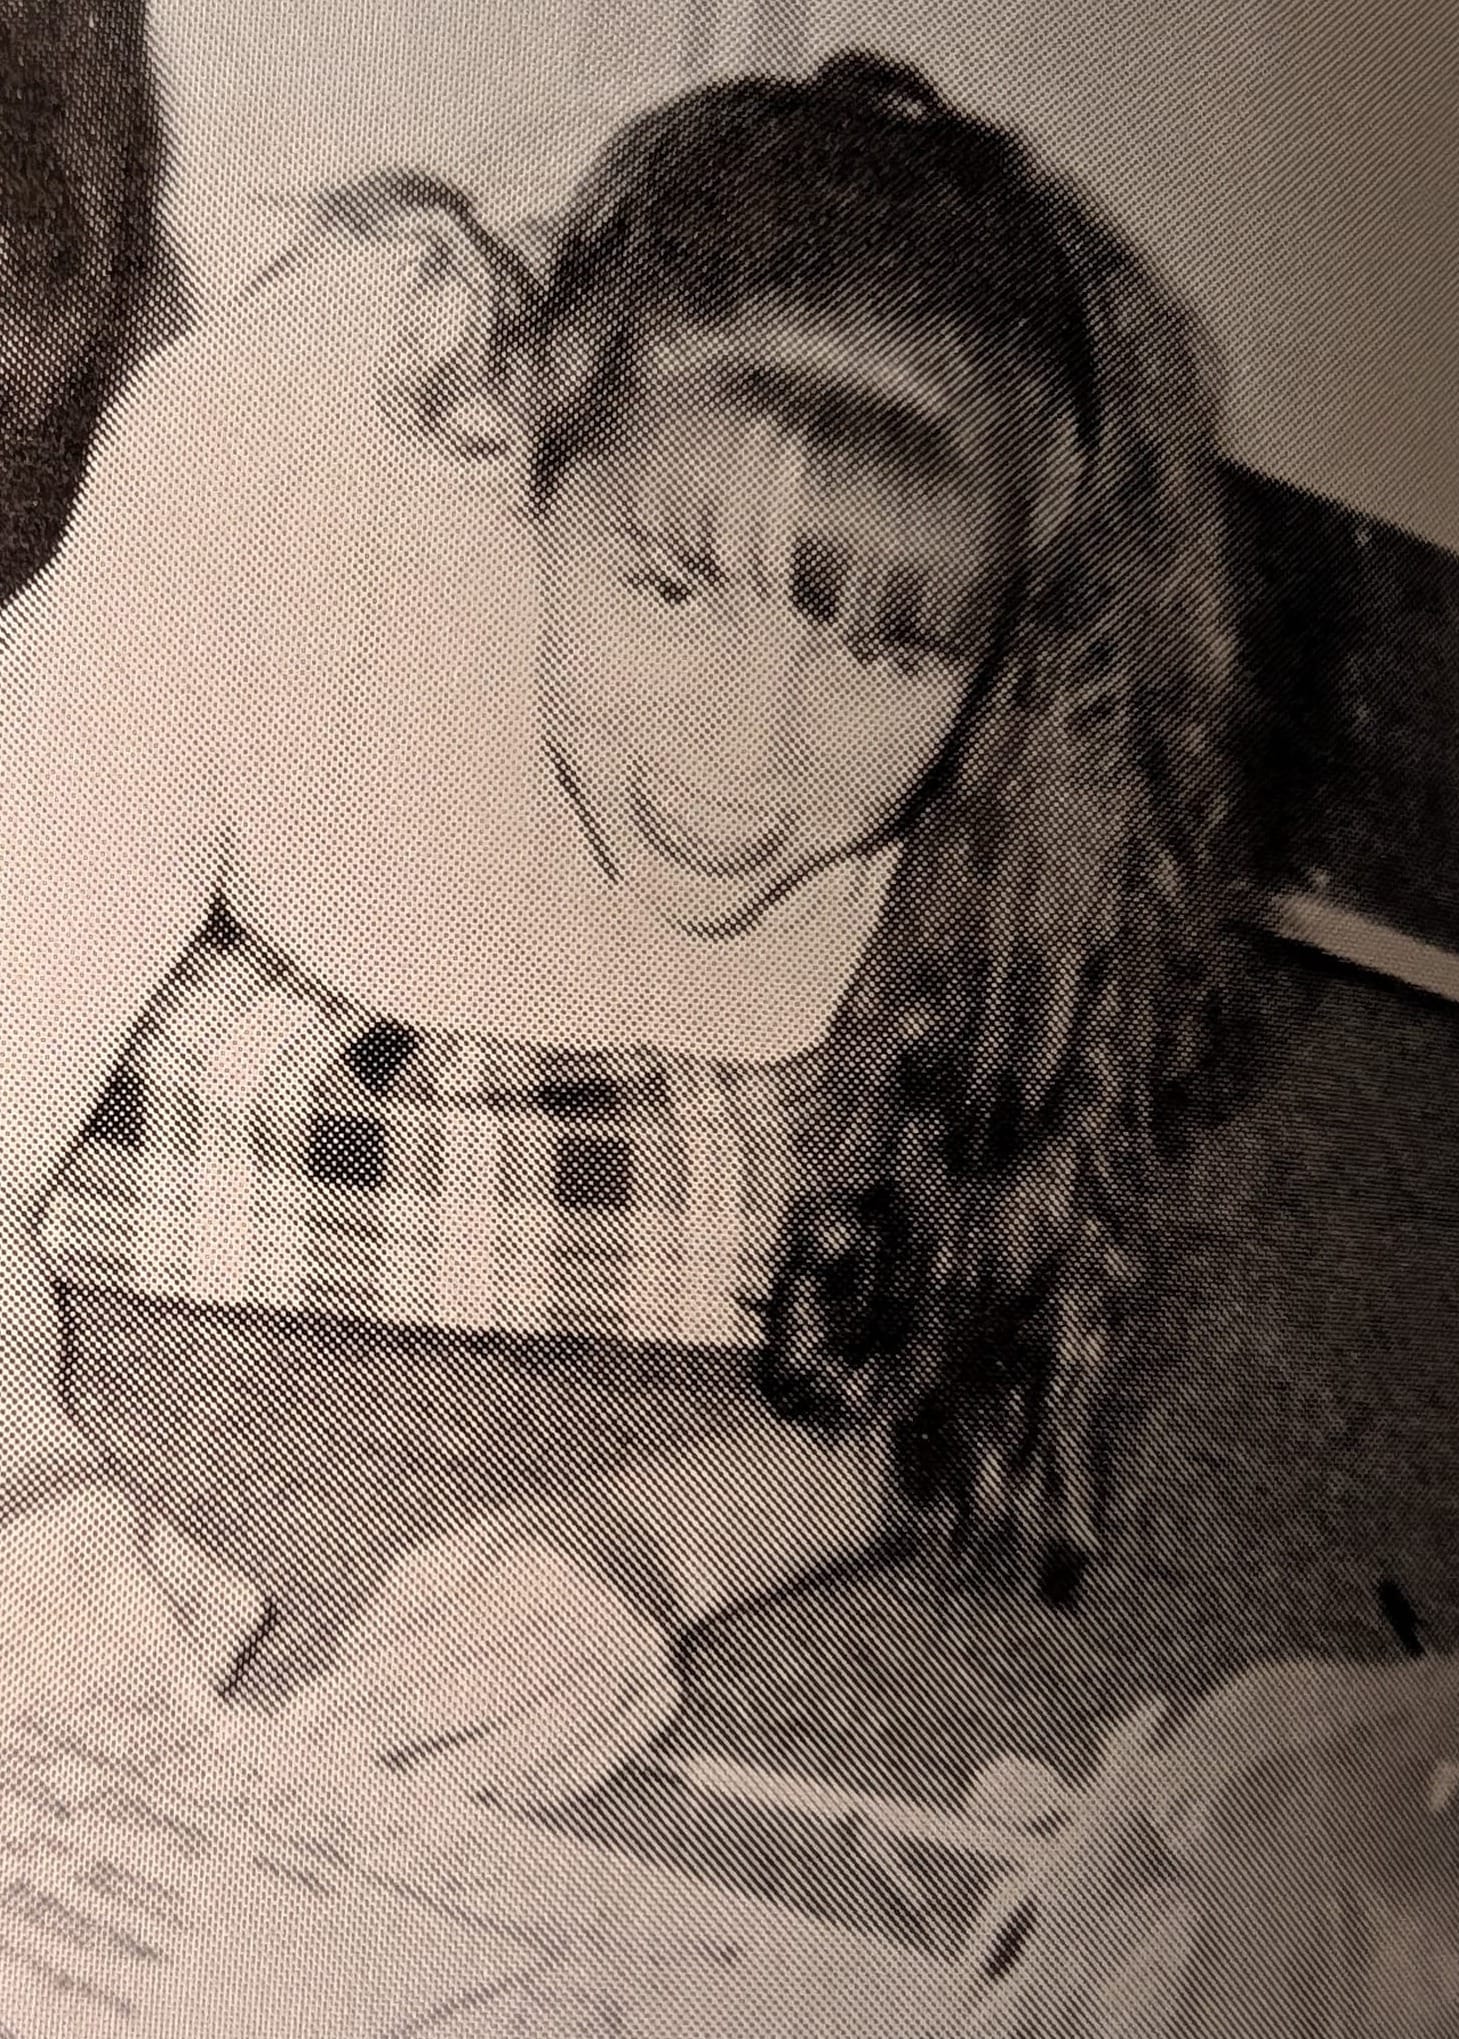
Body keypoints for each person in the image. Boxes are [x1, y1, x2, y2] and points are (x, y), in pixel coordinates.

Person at [0, 49, 1453, 2031]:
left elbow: (976, 1353)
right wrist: (21, 1486)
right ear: (526, 458)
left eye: (879, 651)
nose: (743, 765)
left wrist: (649, 1541)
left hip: (731, 1104)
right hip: (238, 911)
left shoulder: (1052, 754)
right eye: (670, 588)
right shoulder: (274, 469)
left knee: (854, 1251)